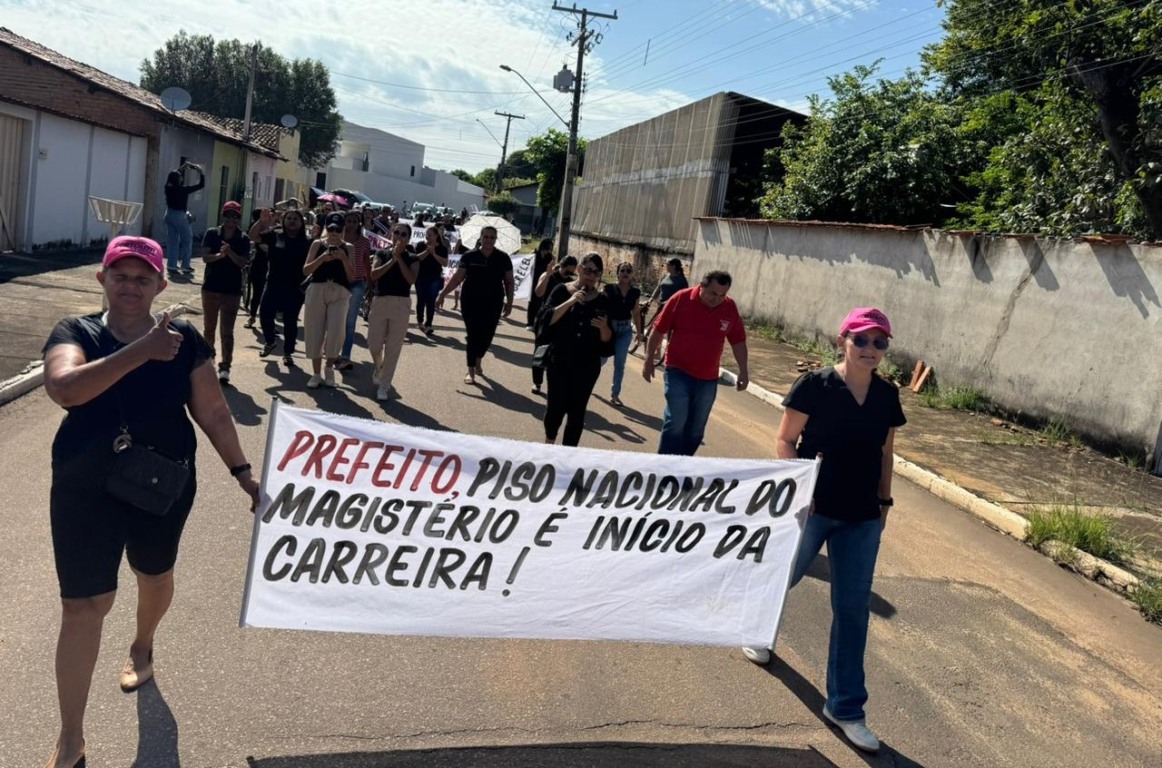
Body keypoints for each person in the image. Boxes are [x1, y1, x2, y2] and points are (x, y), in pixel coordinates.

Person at [40, 236, 259, 768]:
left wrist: (244, 474)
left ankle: (142, 644)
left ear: (161, 285)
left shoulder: (184, 340)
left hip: (161, 483)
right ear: (102, 280)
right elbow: (65, 388)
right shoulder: (76, 332)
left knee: (153, 574)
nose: (131, 287)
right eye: (121, 276)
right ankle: (71, 737)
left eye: (143, 279)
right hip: (84, 484)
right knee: (83, 605)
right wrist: (140, 351)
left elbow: (213, 412)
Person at [742, 307, 905, 755]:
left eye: (880, 342)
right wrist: (799, 488)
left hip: (862, 516)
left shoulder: (887, 396)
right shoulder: (814, 385)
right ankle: (757, 630)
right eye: (861, 339)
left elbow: (885, 453)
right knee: (785, 576)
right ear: (842, 340)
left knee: (852, 612)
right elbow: (785, 440)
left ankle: (845, 708)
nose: (870, 349)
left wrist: (885, 501)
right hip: (813, 509)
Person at [642, 270, 749, 456]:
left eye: (722, 295)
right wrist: (648, 359)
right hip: (678, 371)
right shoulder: (681, 299)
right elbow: (658, 330)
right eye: (713, 293)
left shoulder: (729, 307)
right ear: (702, 286)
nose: (717, 299)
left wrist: (744, 371)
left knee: (696, 430)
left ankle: (683, 465)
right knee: (676, 420)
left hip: (708, 378)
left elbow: (738, 341)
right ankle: (664, 467)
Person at [540, 253, 613, 445]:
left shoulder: (603, 300)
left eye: (596, 273)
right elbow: (546, 321)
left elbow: (608, 342)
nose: (591, 276)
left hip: (587, 367)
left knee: (577, 412)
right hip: (559, 361)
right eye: (588, 270)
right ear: (579, 269)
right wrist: (571, 301)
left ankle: (568, 454)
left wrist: (604, 327)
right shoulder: (561, 290)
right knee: (555, 409)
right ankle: (549, 445)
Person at [436, 226, 514, 386]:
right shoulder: (469, 256)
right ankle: (470, 370)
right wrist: (442, 294)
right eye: (486, 236)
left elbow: (509, 281)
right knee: (473, 335)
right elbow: (457, 278)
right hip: (470, 301)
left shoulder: (503, 258)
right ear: (481, 237)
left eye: (492, 237)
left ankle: (478, 358)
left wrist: (510, 302)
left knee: (487, 335)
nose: (489, 240)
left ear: (496, 239)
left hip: (493, 302)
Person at [250, 208, 311, 366]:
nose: (292, 221)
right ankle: (270, 341)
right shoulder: (275, 235)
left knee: (290, 321)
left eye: (296, 219)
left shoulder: (307, 241)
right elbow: (253, 236)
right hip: (273, 283)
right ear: (283, 221)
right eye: (289, 218)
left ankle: (288, 353)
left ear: (301, 223)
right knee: (265, 314)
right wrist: (261, 222)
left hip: (295, 287)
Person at [302, 212, 356, 388]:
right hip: (317, 289)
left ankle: (329, 367)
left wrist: (343, 258)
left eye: (338, 230)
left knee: (336, 331)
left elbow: (352, 276)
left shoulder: (348, 247)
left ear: (343, 230)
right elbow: (306, 270)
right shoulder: (317, 244)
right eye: (331, 229)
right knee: (314, 330)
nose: (334, 233)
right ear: (326, 228)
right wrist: (322, 258)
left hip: (339, 291)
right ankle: (316, 373)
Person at [200, 201, 251, 384]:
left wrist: (229, 253)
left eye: (235, 216)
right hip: (211, 288)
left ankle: (225, 367)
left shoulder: (243, 238)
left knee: (227, 331)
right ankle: (208, 360)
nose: (231, 219)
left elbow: (243, 263)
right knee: (209, 328)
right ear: (223, 216)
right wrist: (220, 255)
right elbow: (205, 257)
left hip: (232, 291)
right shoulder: (212, 233)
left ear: (239, 218)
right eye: (228, 215)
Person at [367, 223, 419, 401]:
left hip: (401, 303)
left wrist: (399, 259)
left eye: (403, 234)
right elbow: (374, 274)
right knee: (374, 343)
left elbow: (411, 279)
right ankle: (379, 366)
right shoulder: (381, 254)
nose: (399, 236)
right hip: (380, 301)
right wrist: (392, 259)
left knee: (393, 347)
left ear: (408, 238)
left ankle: (384, 385)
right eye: (396, 232)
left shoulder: (412, 258)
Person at [530, 254, 577, 395]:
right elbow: (538, 293)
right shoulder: (549, 275)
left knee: (558, 353)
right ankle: (537, 382)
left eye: (572, 272)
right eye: (567, 271)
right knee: (540, 350)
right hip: (545, 318)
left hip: (562, 320)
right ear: (561, 266)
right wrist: (547, 276)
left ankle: (555, 385)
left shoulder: (571, 284)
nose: (568, 274)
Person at [601, 261, 644, 407]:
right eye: (622, 270)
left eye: (628, 271)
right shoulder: (609, 289)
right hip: (610, 328)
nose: (625, 273)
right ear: (618, 273)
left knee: (620, 363)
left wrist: (639, 332)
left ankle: (615, 394)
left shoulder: (635, 292)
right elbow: (601, 307)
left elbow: (636, 313)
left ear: (632, 275)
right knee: (601, 359)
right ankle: (585, 380)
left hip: (625, 330)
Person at [335, 209, 372, 370]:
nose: (351, 224)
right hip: (338, 283)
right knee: (336, 320)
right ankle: (332, 351)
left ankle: (345, 356)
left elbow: (366, 264)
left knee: (350, 322)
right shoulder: (337, 239)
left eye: (354, 222)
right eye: (348, 221)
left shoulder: (364, 242)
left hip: (356, 284)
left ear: (359, 224)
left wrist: (370, 283)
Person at [632, 257, 689, 356]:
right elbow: (658, 288)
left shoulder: (681, 280)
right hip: (660, 305)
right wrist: (650, 300)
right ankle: (655, 350)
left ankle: (655, 350)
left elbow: (684, 296)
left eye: (667, 264)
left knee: (657, 327)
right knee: (656, 326)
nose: (665, 266)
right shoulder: (665, 276)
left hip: (672, 308)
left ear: (673, 266)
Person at [163, 161, 205, 277]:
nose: (182, 178)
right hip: (179, 216)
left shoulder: (168, 188)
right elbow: (201, 185)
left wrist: (182, 168)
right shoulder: (183, 190)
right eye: (180, 177)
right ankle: (185, 265)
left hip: (169, 214)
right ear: (178, 180)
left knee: (172, 241)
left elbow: (173, 176)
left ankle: (171, 265)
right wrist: (201, 173)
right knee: (187, 240)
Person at [414, 225, 448, 336]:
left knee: (431, 302)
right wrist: (427, 251)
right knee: (421, 300)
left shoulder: (442, 248)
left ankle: (429, 324)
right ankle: (420, 321)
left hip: (435, 278)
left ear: (436, 236)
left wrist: (434, 254)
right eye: (426, 235)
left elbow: (445, 263)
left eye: (430, 235)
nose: (427, 237)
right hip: (421, 277)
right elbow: (416, 259)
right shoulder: (421, 245)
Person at [243, 208, 269, 329]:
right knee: (257, 293)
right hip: (259, 266)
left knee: (269, 297)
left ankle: (268, 322)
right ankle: (252, 316)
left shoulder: (275, 231)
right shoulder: (257, 230)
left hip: (272, 268)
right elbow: (252, 236)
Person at [526, 238, 555, 329]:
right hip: (533, 279)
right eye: (548, 248)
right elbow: (527, 265)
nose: (549, 250)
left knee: (540, 302)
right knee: (532, 302)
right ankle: (530, 322)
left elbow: (552, 269)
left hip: (543, 280)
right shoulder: (534, 254)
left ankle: (537, 322)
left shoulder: (550, 257)